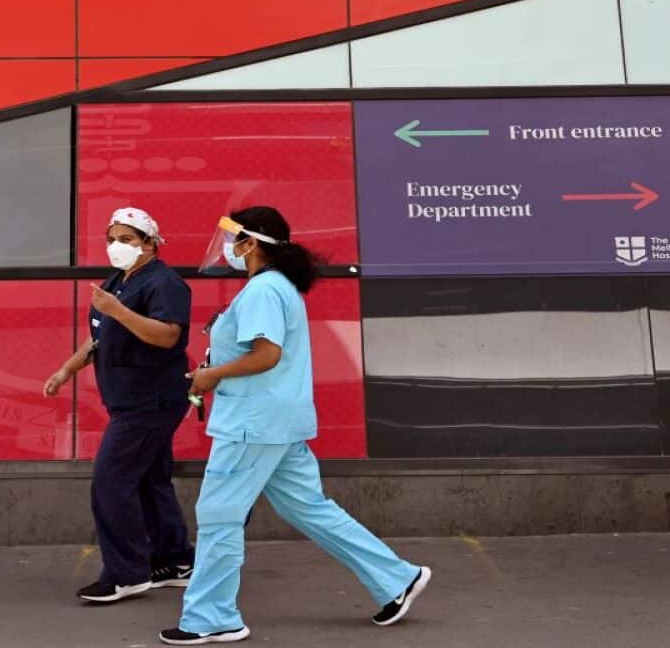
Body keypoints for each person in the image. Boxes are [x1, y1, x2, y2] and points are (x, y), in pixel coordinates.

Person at [159, 206, 431, 646]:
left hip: (253, 424)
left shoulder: (264, 290)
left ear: (253, 243)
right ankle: (396, 577)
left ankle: (212, 616)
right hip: (274, 422)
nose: (228, 246)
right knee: (309, 508)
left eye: (235, 237)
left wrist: (212, 375)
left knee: (218, 516)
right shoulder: (274, 287)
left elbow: (267, 355)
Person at [44, 207, 196, 603]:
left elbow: (167, 336)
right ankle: (175, 561)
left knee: (111, 483)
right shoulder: (116, 282)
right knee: (149, 480)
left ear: (149, 243)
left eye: (126, 240)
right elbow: (99, 338)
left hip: (150, 401)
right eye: (111, 239)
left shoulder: (164, 284)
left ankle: (127, 572)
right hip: (127, 398)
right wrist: (66, 370)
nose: (116, 246)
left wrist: (118, 310)